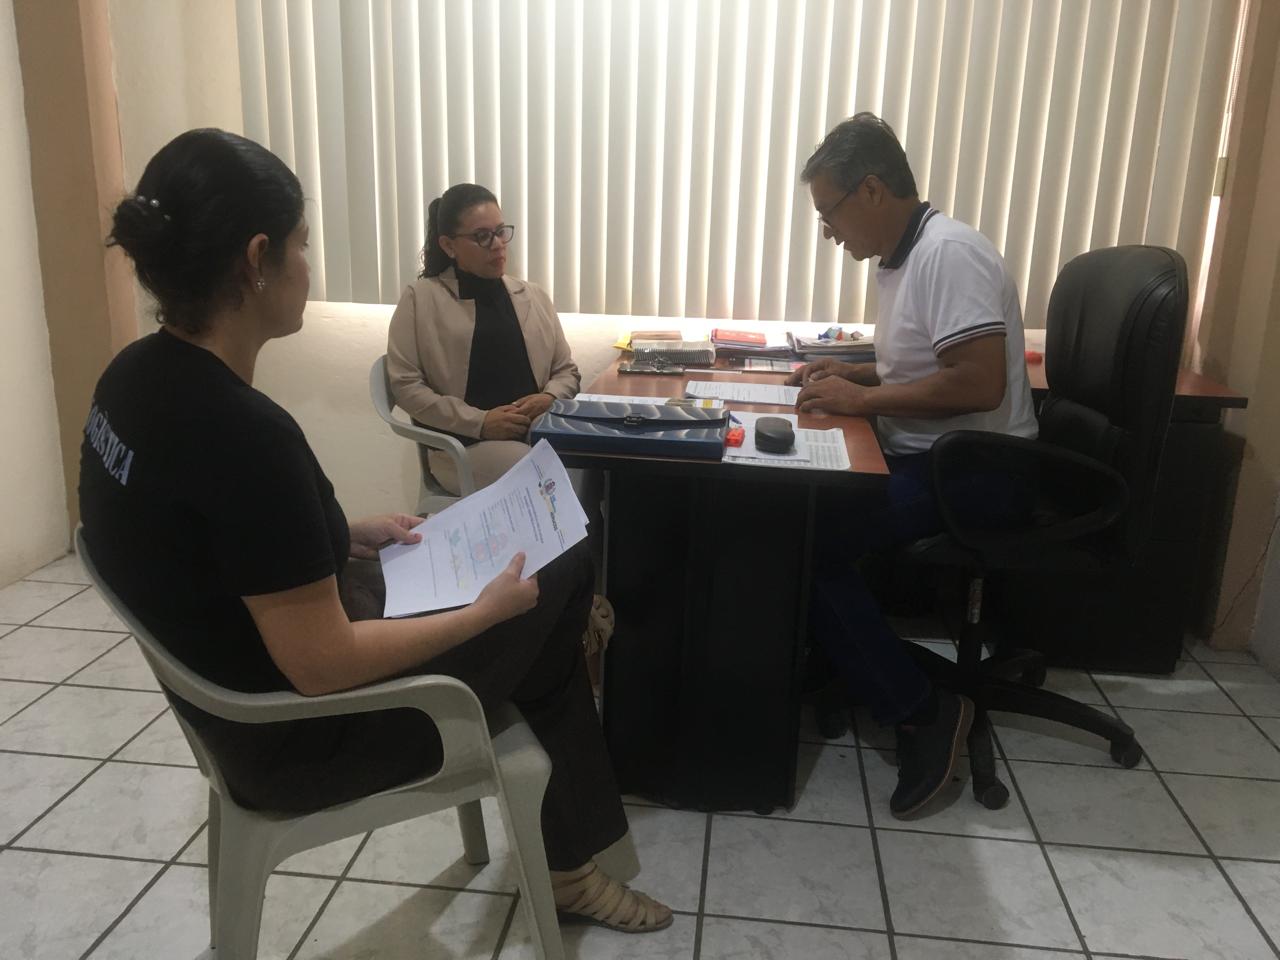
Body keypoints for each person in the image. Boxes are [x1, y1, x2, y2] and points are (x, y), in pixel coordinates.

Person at [79, 128, 671, 933]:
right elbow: (321, 664)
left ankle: (567, 842)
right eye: (302, 244)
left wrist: (338, 535)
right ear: (257, 259)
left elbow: (208, 540)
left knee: (545, 609)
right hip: (300, 738)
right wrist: (482, 616)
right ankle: (571, 860)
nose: (308, 265)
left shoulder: (130, 379)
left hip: (236, 689)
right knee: (556, 578)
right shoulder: (242, 436)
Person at [788, 113, 1038, 818]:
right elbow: (927, 361)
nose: (829, 232)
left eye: (829, 213)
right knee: (803, 516)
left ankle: (924, 711)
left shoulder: (949, 255)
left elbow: (977, 383)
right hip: (936, 458)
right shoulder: (903, 258)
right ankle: (842, 657)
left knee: (810, 544)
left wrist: (863, 400)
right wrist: (858, 370)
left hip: (980, 474)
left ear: (871, 191)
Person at [386, 183, 580, 495]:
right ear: (449, 245)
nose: (498, 244)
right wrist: (481, 422)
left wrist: (550, 397)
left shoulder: (533, 296)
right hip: (463, 447)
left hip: (536, 430)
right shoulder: (420, 299)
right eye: (482, 236)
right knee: (539, 475)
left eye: (501, 232)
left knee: (594, 463)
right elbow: (406, 387)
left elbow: (566, 370)